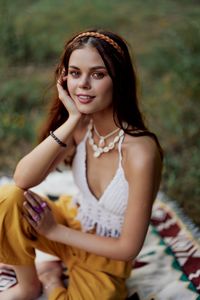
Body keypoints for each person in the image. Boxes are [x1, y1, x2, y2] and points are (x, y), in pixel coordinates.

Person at [0, 29, 163, 300]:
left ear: (118, 80)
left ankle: (50, 277)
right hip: (73, 221)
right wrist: (72, 119)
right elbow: (23, 179)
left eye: (98, 74)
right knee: (7, 199)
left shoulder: (141, 152)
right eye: (75, 73)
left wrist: (54, 231)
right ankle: (28, 286)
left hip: (107, 255)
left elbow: (128, 248)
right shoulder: (81, 127)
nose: (83, 84)